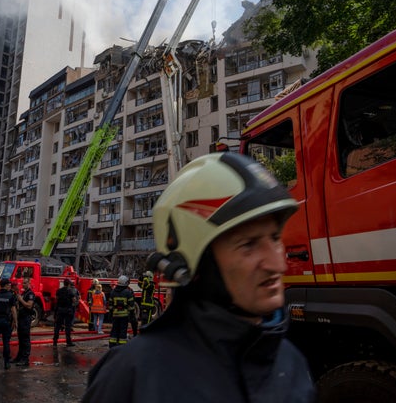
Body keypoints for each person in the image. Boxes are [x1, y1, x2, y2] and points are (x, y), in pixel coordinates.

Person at [82, 153, 316, 402]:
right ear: (196, 264)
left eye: (275, 239)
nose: (278, 264)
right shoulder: (134, 376)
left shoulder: (291, 363)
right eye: (248, 245)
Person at [11, 276, 35, 366]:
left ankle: (25, 359)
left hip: (26, 318)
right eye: (23, 283)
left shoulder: (30, 294)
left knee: (25, 339)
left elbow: (29, 305)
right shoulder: (24, 293)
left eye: (25, 283)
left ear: (29, 283)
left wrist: (21, 300)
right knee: (20, 339)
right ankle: (19, 357)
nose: (23, 284)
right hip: (21, 318)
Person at [108, 275, 134, 348]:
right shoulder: (128, 292)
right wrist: (132, 315)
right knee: (123, 331)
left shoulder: (113, 292)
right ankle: (121, 345)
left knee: (114, 329)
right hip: (124, 316)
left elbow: (110, 305)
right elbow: (131, 306)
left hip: (115, 315)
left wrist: (111, 314)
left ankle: (112, 344)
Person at [52, 278, 78, 347]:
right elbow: (74, 300)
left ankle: (55, 342)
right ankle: (68, 342)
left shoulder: (59, 291)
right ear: (69, 284)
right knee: (68, 327)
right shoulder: (70, 291)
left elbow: (57, 300)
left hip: (60, 310)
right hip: (68, 310)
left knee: (57, 327)